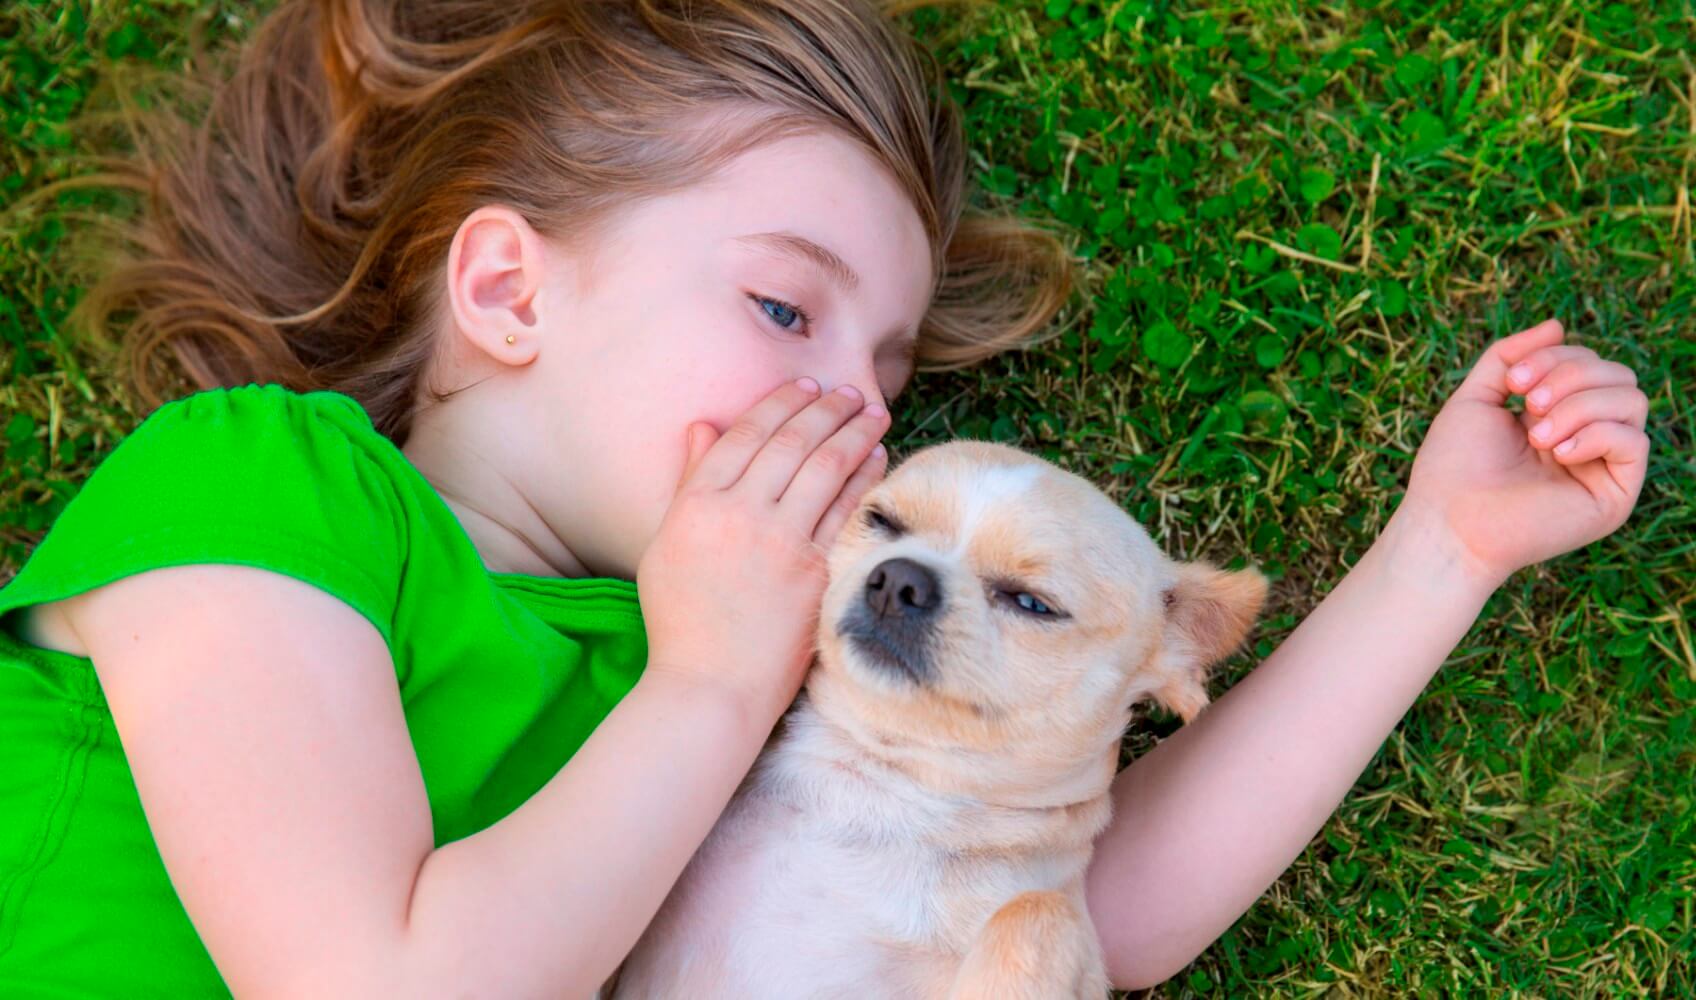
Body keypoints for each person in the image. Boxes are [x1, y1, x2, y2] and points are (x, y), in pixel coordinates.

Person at [0, 0, 1649, 996]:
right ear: (507, 292)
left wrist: (1445, 550)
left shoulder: (738, 645)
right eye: (785, 309)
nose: (852, 407)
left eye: (887, 373)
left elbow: (1094, 899)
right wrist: (708, 682)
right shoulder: (263, 490)